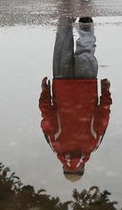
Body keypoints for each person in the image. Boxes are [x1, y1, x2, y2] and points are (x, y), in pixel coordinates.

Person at [40, 15, 111, 181]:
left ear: (83, 167)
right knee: (62, 45)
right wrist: (45, 91)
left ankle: (85, 25)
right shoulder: (56, 145)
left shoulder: (92, 145)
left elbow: (103, 116)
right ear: (64, 167)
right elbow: (47, 115)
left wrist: (105, 91)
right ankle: (65, 13)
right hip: (61, 84)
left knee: (86, 51)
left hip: (86, 86)